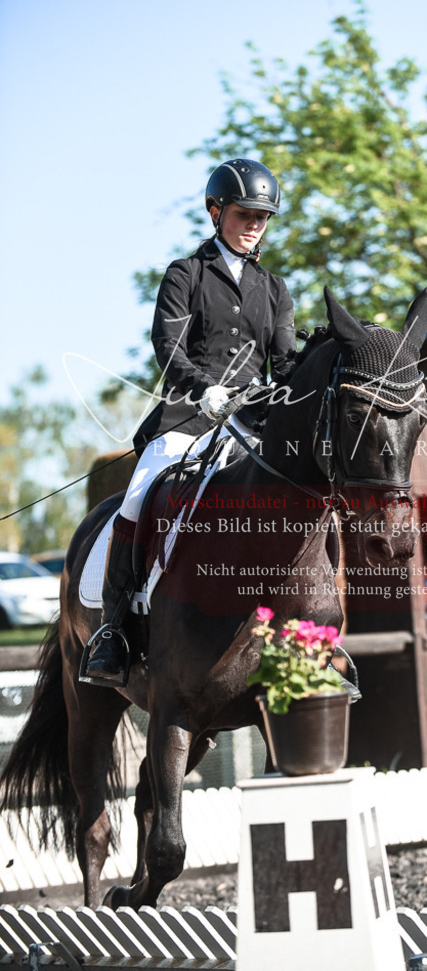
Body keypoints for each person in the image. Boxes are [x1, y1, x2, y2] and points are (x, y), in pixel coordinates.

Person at [81, 159, 297, 686]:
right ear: (215, 210)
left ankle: (309, 633)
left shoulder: (275, 288)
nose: (253, 225)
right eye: (244, 214)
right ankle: (112, 630)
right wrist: (206, 389)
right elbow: (168, 347)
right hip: (190, 415)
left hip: (251, 424)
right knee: (138, 496)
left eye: (262, 217)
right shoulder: (187, 273)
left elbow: (285, 362)